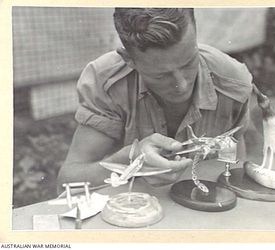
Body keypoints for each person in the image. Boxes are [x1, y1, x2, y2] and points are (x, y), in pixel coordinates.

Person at [57, 8, 253, 191]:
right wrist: (131, 159)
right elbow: (67, 182)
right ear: (129, 60)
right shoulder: (105, 81)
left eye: (189, 63)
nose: (182, 85)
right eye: (161, 76)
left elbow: (236, 165)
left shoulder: (233, 82)